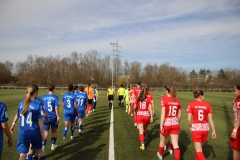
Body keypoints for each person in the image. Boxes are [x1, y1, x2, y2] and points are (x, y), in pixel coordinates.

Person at [11, 85, 45, 160]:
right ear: (35, 92)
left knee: (22, 155)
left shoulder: (21, 103)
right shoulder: (37, 105)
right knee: (39, 152)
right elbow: (40, 121)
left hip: (23, 133)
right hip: (34, 133)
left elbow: (17, 115)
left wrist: (13, 124)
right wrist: (43, 133)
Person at [187, 89, 217, 160]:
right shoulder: (208, 105)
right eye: (203, 95)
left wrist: (190, 127)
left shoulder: (191, 104)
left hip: (196, 128)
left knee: (198, 151)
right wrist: (213, 131)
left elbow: (189, 119)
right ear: (201, 96)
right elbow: (210, 119)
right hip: (205, 128)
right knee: (199, 149)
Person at [157, 84, 181, 160]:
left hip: (166, 123)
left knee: (162, 141)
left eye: (165, 90)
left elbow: (163, 113)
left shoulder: (164, 98)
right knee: (176, 144)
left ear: (167, 90)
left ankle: (160, 154)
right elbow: (180, 114)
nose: (164, 91)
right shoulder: (177, 99)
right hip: (175, 123)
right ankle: (174, 154)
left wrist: (161, 125)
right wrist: (177, 122)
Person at [41, 85, 60, 152]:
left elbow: (42, 108)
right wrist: (58, 117)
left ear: (47, 89)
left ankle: (43, 146)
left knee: (45, 133)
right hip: (53, 117)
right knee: (54, 131)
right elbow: (56, 108)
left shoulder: (43, 97)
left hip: (45, 117)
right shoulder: (56, 97)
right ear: (54, 89)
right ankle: (53, 145)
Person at [230, 85, 240, 160]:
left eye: (235, 90)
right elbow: (233, 102)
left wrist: (235, 130)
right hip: (237, 126)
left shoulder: (239, 102)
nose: (234, 92)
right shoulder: (238, 100)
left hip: (238, 126)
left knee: (235, 150)